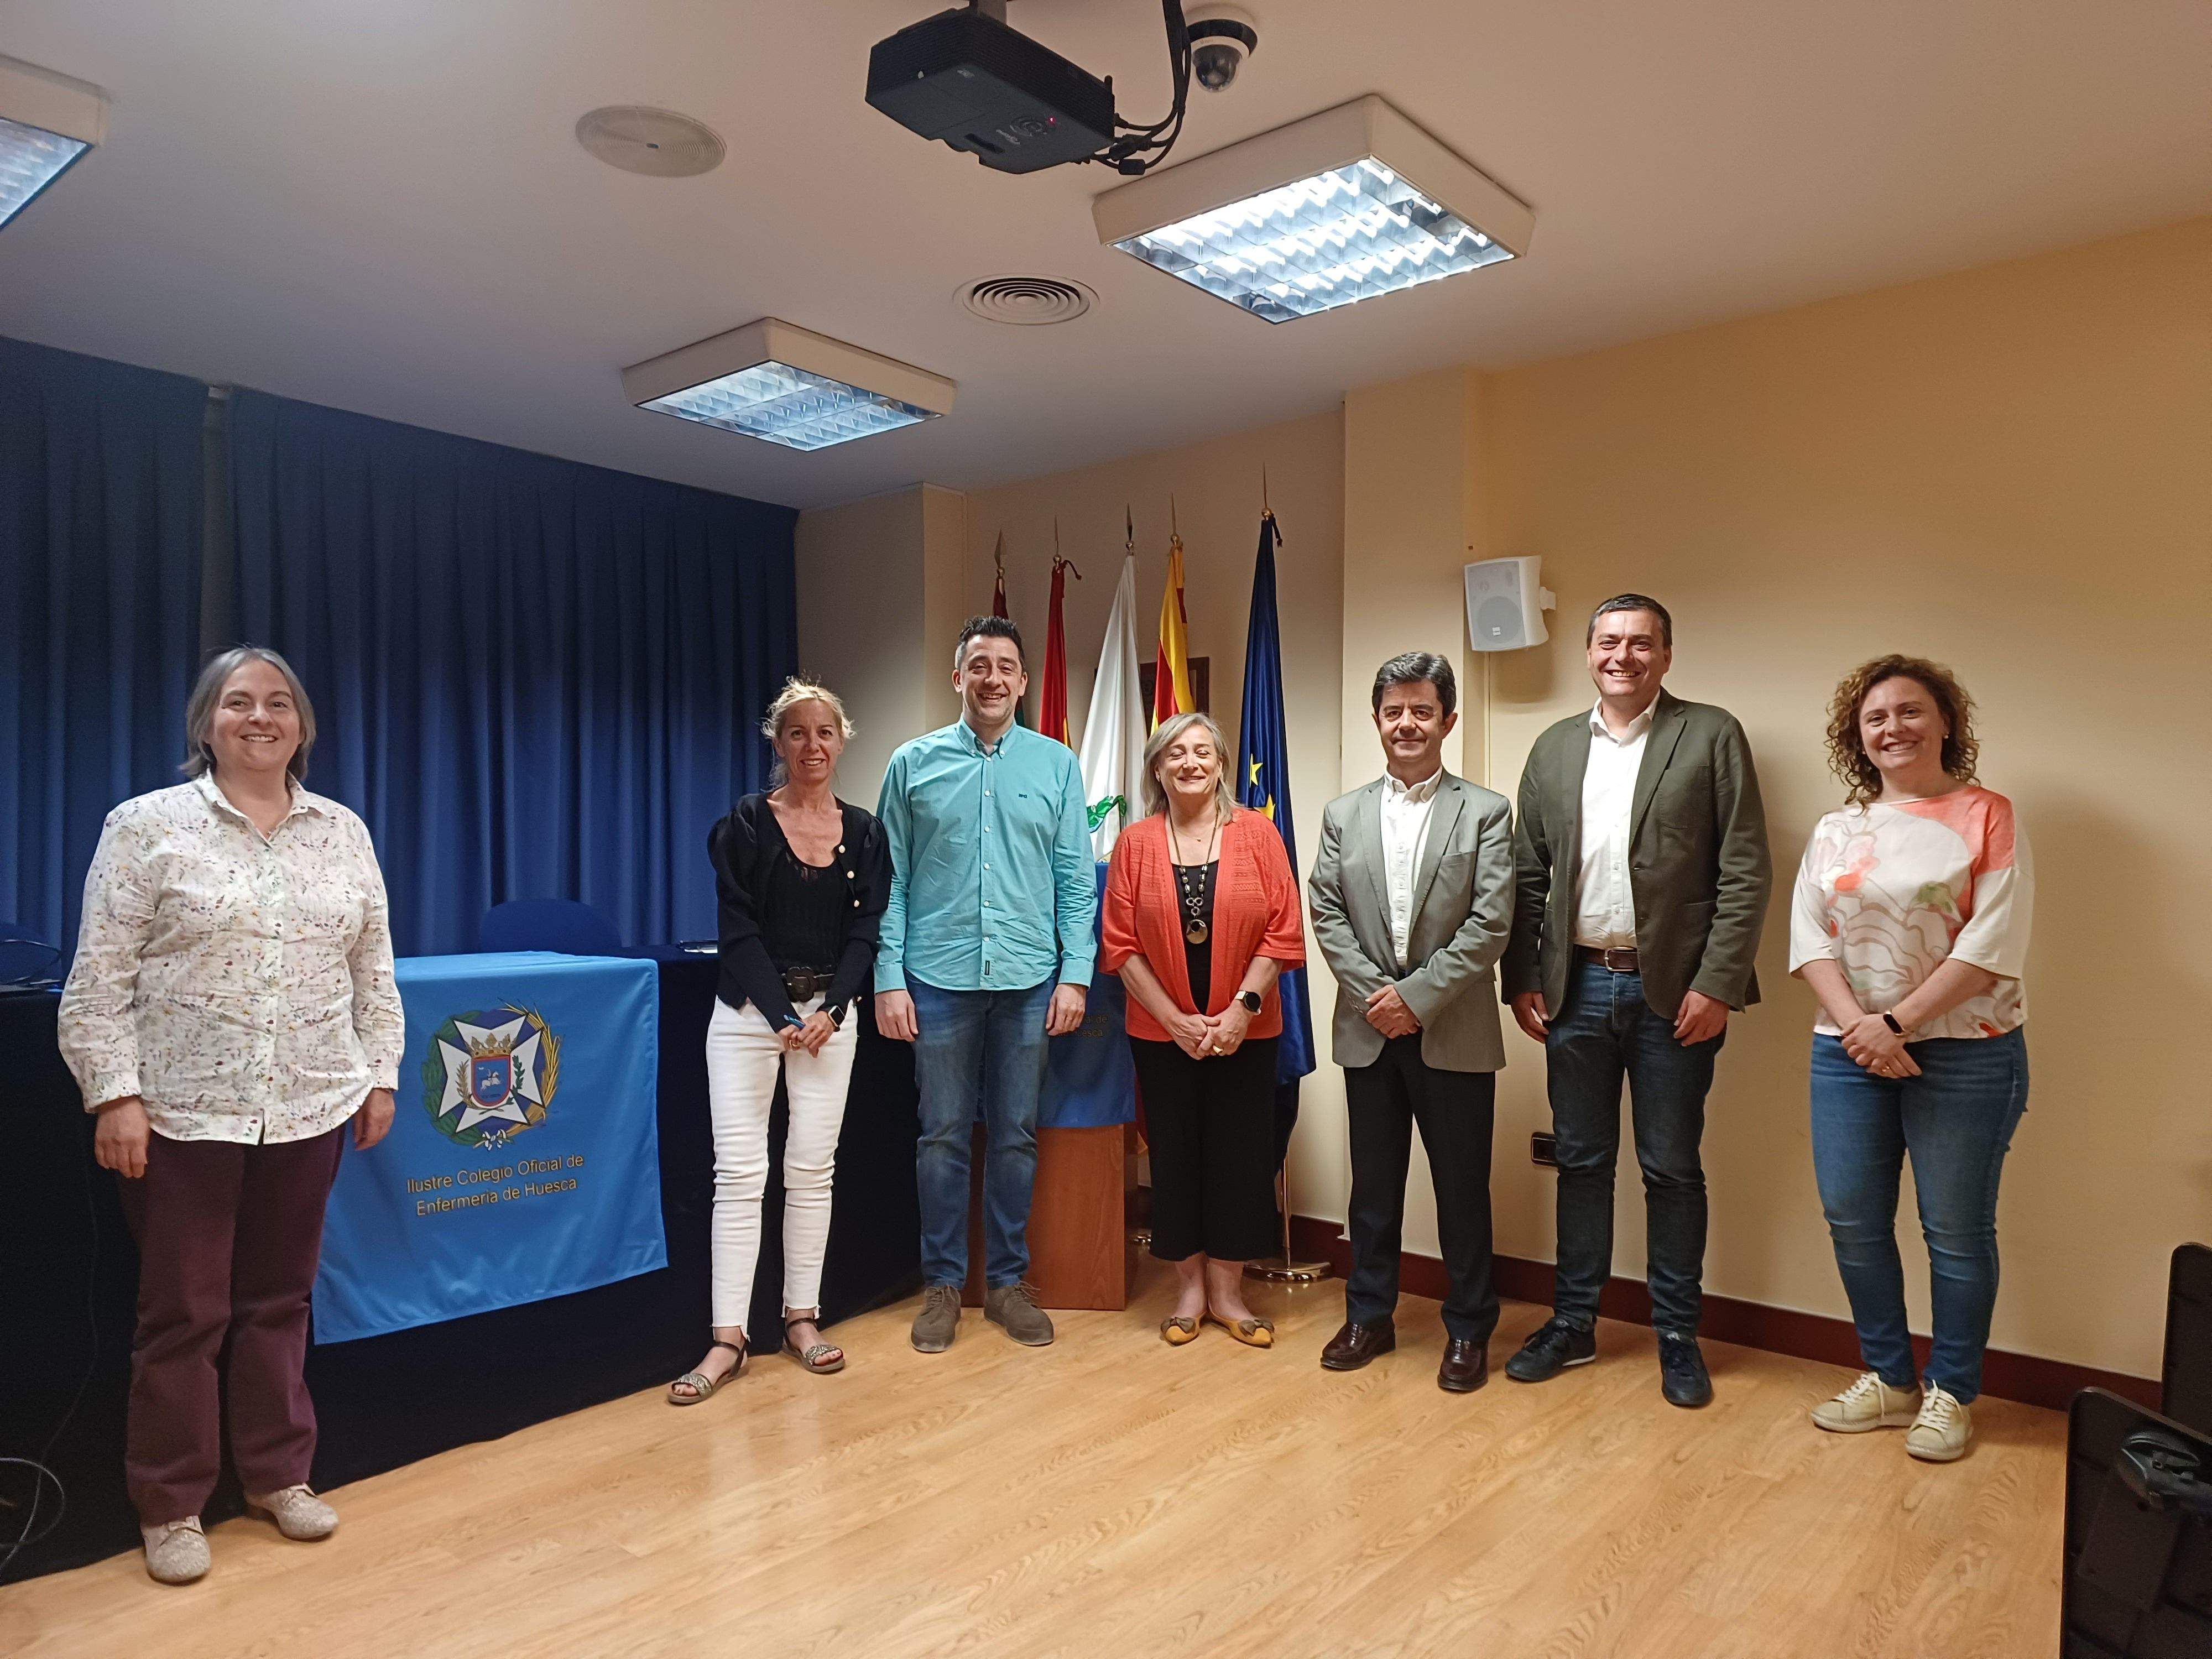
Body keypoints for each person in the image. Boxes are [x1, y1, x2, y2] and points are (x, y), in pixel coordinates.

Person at [56, 645, 405, 1586]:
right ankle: (170, 1502)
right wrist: (114, 1093)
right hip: (182, 1114)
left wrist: (382, 1077)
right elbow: (100, 981)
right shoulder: (145, 829)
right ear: (207, 723)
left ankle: (277, 1476)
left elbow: (373, 970)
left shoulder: (342, 831)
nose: (262, 717)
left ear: (302, 725)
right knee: (184, 1314)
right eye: (240, 702)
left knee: (278, 1305)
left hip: (308, 1107)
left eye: (279, 702)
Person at [1501, 596, 1771, 1408]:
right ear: (1588, 653)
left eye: (1641, 642)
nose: (1625, 655)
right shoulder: (1553, 748)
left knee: (1671, 1169)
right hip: (1574, 988)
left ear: (1666, 654)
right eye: (1610, 642)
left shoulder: (1710, 734)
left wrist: (1718, 982)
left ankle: (1678, 1336)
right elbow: (1526, 875)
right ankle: (1575, 1322)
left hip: (1674, 996)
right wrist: (1523, 976)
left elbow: (1745, 868)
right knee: (1581, 1162)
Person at [1791, 656, 2030, 1462]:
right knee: (1854, 1223)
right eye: (1875, 718)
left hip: (1967, 1054)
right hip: (1846, 1052)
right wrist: (1861, 1027)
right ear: (1858, 738)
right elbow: (1809, 939)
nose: (1893, 728)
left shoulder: (1987, 814)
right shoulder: (1837, 828)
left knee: (1955, 1232)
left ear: (1945, 721)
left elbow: (1993, 944)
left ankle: (1952, 1393)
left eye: (1910, 711)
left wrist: (1895, 1022)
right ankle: (1891, 1382)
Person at [874, 617, 1095, 1352]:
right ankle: (942, 1285)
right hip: (935, 981)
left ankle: (1005, 1284)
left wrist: (1076, 976)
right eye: (980, 666)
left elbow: (1073, 885)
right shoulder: (912, 764)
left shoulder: (1057, 765)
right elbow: (891, 885)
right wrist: (887, 980)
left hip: (1031, 980)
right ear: (957, 678)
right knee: (940, 1136)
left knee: (1016, 1137)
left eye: (1006, 666)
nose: (993, 678)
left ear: (1023, 682)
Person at [670, 679, 890, 1404]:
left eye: (825, 732)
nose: (813, 746)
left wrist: (832, 1008)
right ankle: (727, 1338)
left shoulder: (864, 832)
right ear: (778, 744)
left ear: (842, 741)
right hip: (746, 1018)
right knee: (738, 1175)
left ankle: (801, 1319)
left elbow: (866, 933)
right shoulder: (743, 825)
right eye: (798, 733)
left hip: (830, 1021)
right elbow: (737, 934)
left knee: (811, 1171)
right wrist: (780, 1015)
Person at [1308, 653, 1515, 1393]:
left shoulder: (1486, 811)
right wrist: (1379, 998)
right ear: (1378, 720)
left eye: (1422, 711)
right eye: (1394, 711)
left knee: (1462, 1189)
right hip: (1369, 1032)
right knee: (1373, 1188)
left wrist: (1416, 998)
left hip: (1453, 1030)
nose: (1407, 724)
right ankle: (1369, 1315)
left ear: (1447, 721)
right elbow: (1326, 914)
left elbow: (1491, 924)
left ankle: (1467, 1329)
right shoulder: (1342, 814)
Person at [1101, 712, 1306, 1348]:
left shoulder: (1259, 835)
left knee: (1240, 1158)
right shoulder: (1134, 843)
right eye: (1174, 754)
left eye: (1201, 753)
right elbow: (1119, 944)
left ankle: (1228, 1292)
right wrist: (1173, 1019)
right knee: (1177, 1155)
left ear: (1220, 763)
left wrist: (1241, 1008)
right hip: (1162, 1034)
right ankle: (1188, 1290)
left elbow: (1282, 928)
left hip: (1248, 1030)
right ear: (1157, 769)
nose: (1189, 763)